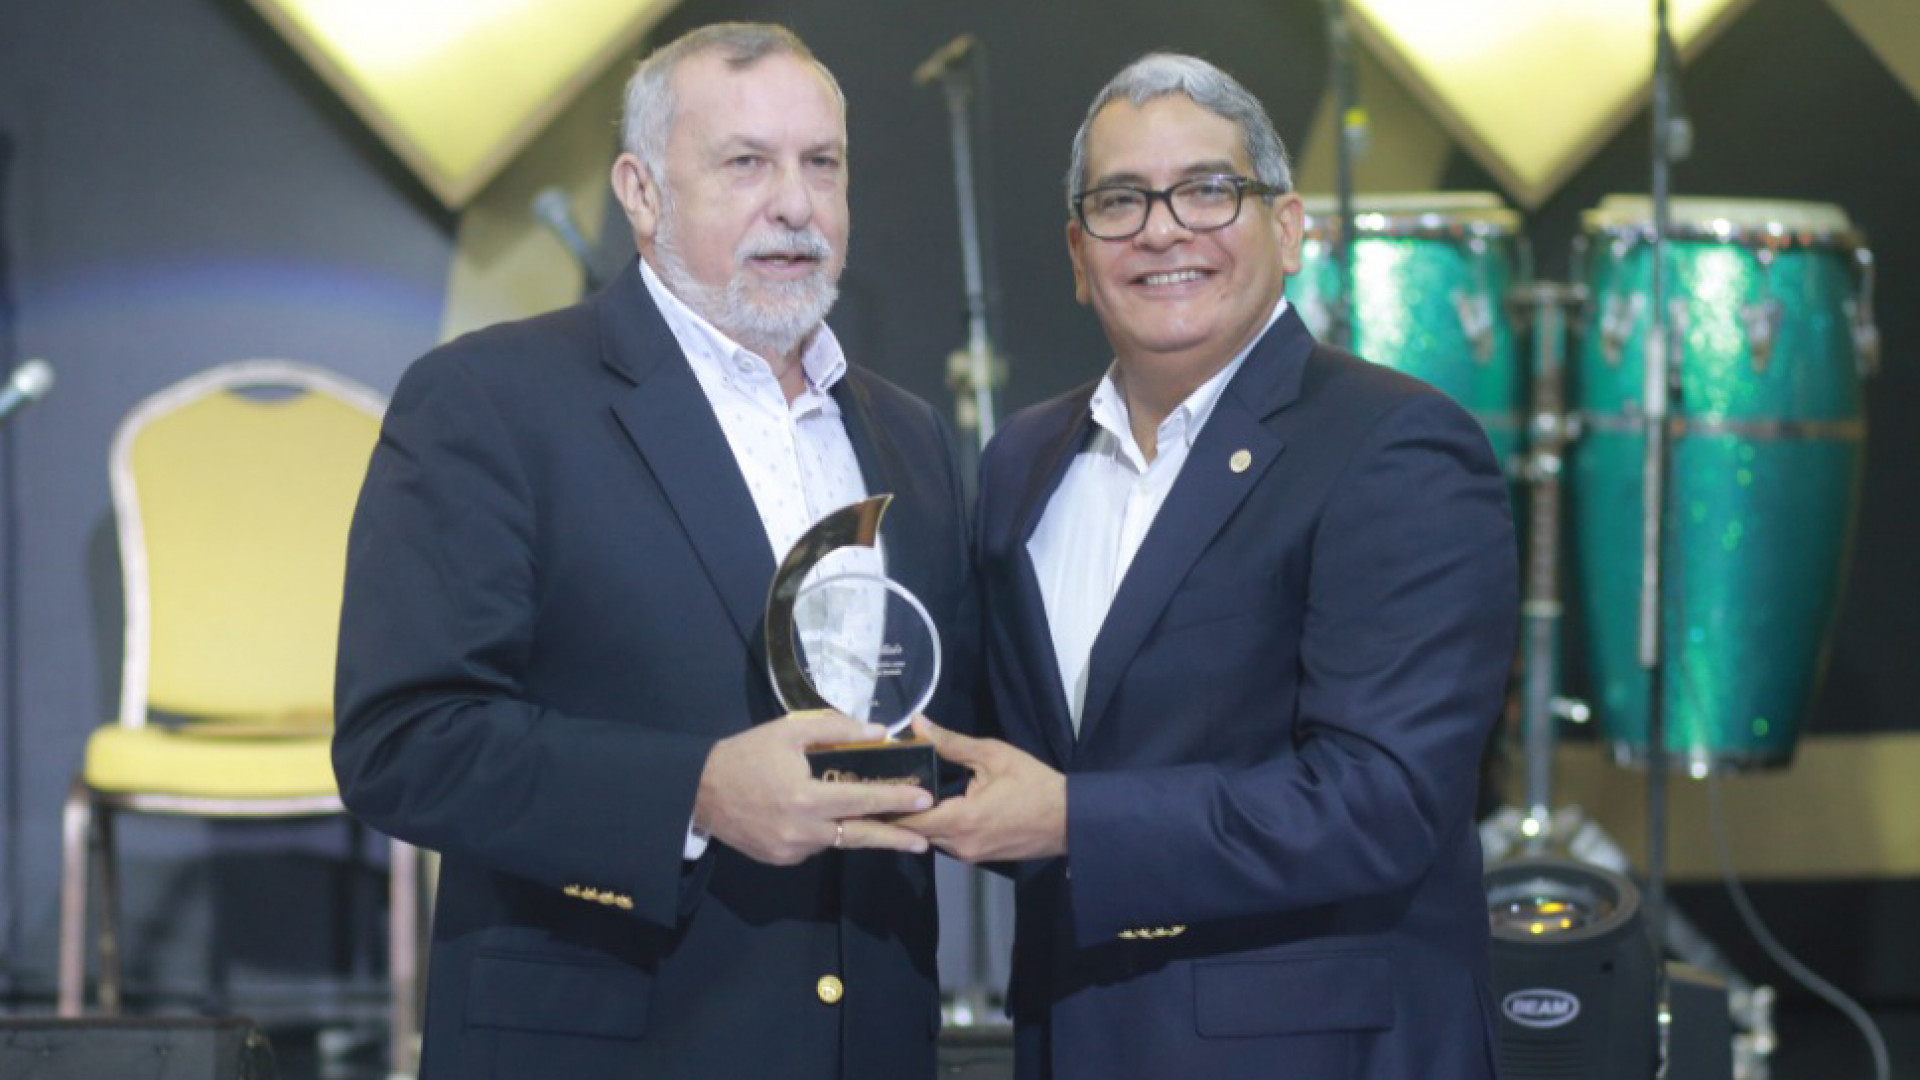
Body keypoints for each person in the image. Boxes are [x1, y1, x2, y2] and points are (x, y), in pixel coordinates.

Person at [333, 23, 973, 1080]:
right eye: (746, 163)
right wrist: (697, 792)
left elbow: (943, 722)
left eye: (822, 164)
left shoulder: (910, 437)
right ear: (640, 193)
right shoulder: (490, 400)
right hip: (610, 1043)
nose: (796, 204)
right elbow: (403, 743)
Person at [901, 53, 1518, 1079]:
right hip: (1074, 1037)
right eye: (1120, 201)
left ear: (1289, 228)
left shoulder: (1397, 445)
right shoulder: (1023, 460)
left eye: (1207, 190)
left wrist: (1070, 820)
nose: (1162, 229)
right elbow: (1002, 749)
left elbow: (1383, 800)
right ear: (1077, 252)